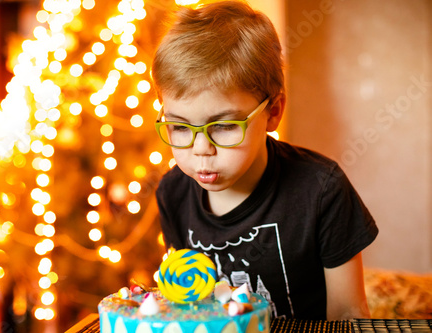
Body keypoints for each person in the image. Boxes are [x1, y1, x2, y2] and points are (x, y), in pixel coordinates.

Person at [151, 0, 378, 320]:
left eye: (224, 126)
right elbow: (188, 309)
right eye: (179, 126)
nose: (200, 149)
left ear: (273, 112)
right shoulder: (173, 194)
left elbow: (348, 314)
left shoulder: (321, 191)